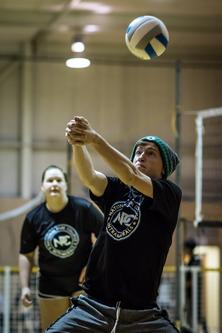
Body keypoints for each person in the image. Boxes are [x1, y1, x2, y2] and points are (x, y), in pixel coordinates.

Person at [46, 116, 182, 333]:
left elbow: (131, 174)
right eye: (138, 151)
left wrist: (95, 138)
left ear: (164, 168)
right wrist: (79, 143)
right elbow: (89, 177)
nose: (141, 156)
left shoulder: (169, 194)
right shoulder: (118, 188)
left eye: (150, 153)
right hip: (93, 306)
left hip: (142, 314)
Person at [19, 164, 103, 331]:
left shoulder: (83, 209)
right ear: (43, 187)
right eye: (50, 180)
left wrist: (91, 265)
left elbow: (106, 235)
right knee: (53, 329)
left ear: (66, 185)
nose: (55, 183)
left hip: (83, 283)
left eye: (59, 180)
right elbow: (26, 254)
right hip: (50, 285)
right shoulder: (33, 218)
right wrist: (25, 287)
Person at [183, 239, 208, 333]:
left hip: (194, 295)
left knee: (195, 316)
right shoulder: (190, 260)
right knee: (191, 316)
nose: (184, 250)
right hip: (191, 294)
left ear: (189, 249)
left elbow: (193, 279)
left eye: (185, 248)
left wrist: (186, 285)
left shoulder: (195, 261)